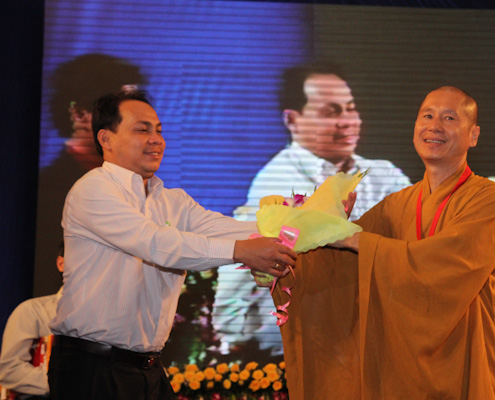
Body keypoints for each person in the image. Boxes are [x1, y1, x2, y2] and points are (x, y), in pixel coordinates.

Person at [266, 86, 495, 399]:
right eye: (427, 116)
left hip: (467, 359)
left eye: (449, 118)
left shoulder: (487, 199)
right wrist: (287, 257)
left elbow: (447, 264)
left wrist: (350, 237)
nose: (435, 126)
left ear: (473, 135)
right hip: (403, 368)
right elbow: (340, 266)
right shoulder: (397, 204)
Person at [47, 89, 296, 400]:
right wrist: (241, 252)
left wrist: (314, 221)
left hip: (148, 369)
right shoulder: (93, 190)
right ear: (106, 139)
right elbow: (154, 243)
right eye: (142, 130)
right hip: (92, 368)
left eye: (159, 130)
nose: (156, 140)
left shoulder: (173, 201)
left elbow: (231, 229)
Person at [212, 62, 411, 359]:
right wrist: (244, 350)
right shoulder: (275, 182)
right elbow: (234, 297)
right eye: (331, 112)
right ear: (293, 120)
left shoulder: (384, 175)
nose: (347, 122)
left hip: (376, 344)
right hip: (300, 351)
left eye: (350, 109)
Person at [35, 54, 147, 295]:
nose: (143, 130)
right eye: (126, 116)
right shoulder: (56, 190)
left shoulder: (143, 186)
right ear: (78, 113)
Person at [0, 242, 64, 399]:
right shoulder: (33, 311)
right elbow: (9, 369)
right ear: (61, 264)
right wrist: (64, 383)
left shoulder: (106, 320)